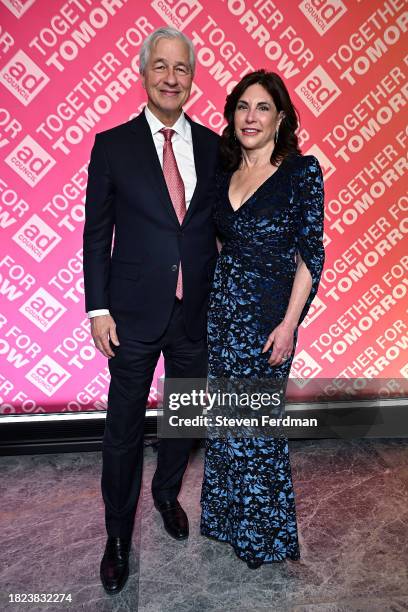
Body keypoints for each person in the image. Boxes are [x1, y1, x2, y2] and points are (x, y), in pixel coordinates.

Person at [83, 27, 219, 594]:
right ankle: (117, 536)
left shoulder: (215, 146)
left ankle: (166, 496)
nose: (171, 78)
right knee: (122, 431)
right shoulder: (113, 145)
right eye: (160, 67)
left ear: (191, 77)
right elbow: (97, 234)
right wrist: (99, 309)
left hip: (194, 315)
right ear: (144, 73)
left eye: (181, 68)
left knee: (184, 419)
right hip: (132, 317)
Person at [200, 70, 325, 569]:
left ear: (281, 118)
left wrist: (290, 323)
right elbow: (216, 244)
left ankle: (263, 540)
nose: (251, 117)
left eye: (263, 108)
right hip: (223, 316)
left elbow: (310, 255)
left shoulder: (302, 172)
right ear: (232, 116)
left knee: (256, 431)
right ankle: (227, 524)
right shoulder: (222, 175)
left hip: (267, 322)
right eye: (243, 107)